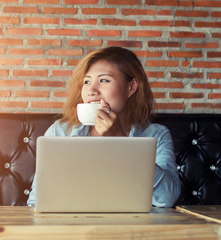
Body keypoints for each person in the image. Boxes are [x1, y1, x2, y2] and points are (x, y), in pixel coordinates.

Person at [27, 46, 181, 208]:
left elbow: (167, 198)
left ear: (131, 87)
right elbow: (36, 201)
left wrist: (120, 140)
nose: (91, 91)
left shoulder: (156, 134)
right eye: (86, 82)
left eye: (104, 80)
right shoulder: (59, 131)